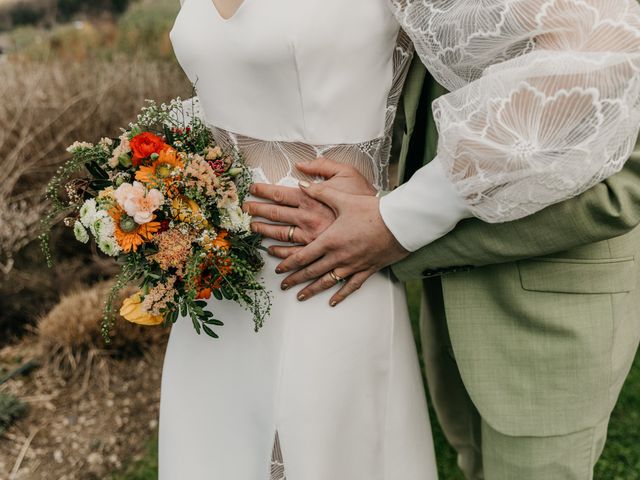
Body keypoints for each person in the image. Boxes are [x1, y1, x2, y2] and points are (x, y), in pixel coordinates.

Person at [163, 0, 640, 479]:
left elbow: (603, 51)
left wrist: (402, 216)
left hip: (329, 267)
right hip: (216, 280)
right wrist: (156, 188)